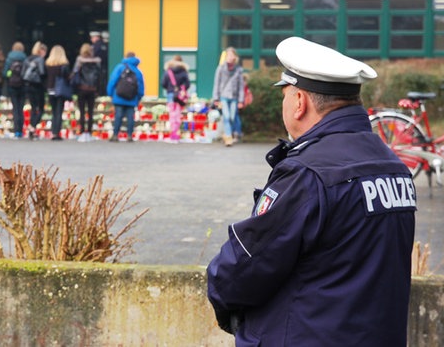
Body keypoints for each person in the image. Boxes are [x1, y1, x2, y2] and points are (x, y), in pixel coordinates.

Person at [206, 37, 416, 347]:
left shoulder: (308, 172)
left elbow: (242, 269)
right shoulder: (393, 166)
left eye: (286, 95)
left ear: (300, 101)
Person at [106, 51, 144, 142]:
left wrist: (110, 93)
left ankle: (115, 135)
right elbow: (141, 86)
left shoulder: (120, 67)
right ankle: (129, 136)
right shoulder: (137, 71)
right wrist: (139, 97)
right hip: (132, 98)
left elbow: (113, 81)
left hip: (119, 96)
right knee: (130, 117)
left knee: (118, 116)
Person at [212, 47, 245, 147]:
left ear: (235, 56)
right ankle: (228, 137)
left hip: (234, 97)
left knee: (232, 117)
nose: (230, 57)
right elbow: (216, 83)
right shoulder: (221, 68)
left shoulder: (238, 70)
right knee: (226, 117)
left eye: (232, 55)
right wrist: (216, 98)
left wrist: (240, 100)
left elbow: (241, 86)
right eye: (228, 55)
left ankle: (228, 134)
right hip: (223, 96)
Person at [71, 43, 101, 142]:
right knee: (91, 112)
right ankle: (89, 132)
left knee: (82, 111)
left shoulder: (79, 60)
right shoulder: (96, 61)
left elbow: (75, 72)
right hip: (92, 89)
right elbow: (99, 75)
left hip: (82, 89)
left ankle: (82, 132)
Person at [44, 44, 72, 141]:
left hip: (50, 90)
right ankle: (56, 133)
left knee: (54, 112)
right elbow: (67, 78)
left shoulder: (48, 65)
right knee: (59, 112)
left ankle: (53, 132)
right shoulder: (64, 66)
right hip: (60, 90)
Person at [161, 55, 191, 144]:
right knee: (177, 115)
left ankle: (173, 134)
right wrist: (182, 89)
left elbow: (163, 83)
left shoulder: (168, 71)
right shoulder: (184, 71)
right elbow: (188, 84)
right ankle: (176, 133)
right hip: (180, 96)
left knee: (172, 114)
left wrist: (170, 88)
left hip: (171, 94)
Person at [23, 41, 47, 140]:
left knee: (33, 108)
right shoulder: (40, 60)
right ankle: (32, 127)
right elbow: (42, 73)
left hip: (28, 86)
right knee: (41, 109)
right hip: (38, 86)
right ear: (41, 51)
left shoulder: (27, 59)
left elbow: (22, 73)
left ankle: (32, 131)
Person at [3, 41, 27, 138]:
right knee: (21, 108)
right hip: (22, 85)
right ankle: (21, 130)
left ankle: (16, 130)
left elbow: (5, 73)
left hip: (12, 86)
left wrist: (10, 76)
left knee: (15, 108)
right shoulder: (25, 58)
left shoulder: (9, 59)